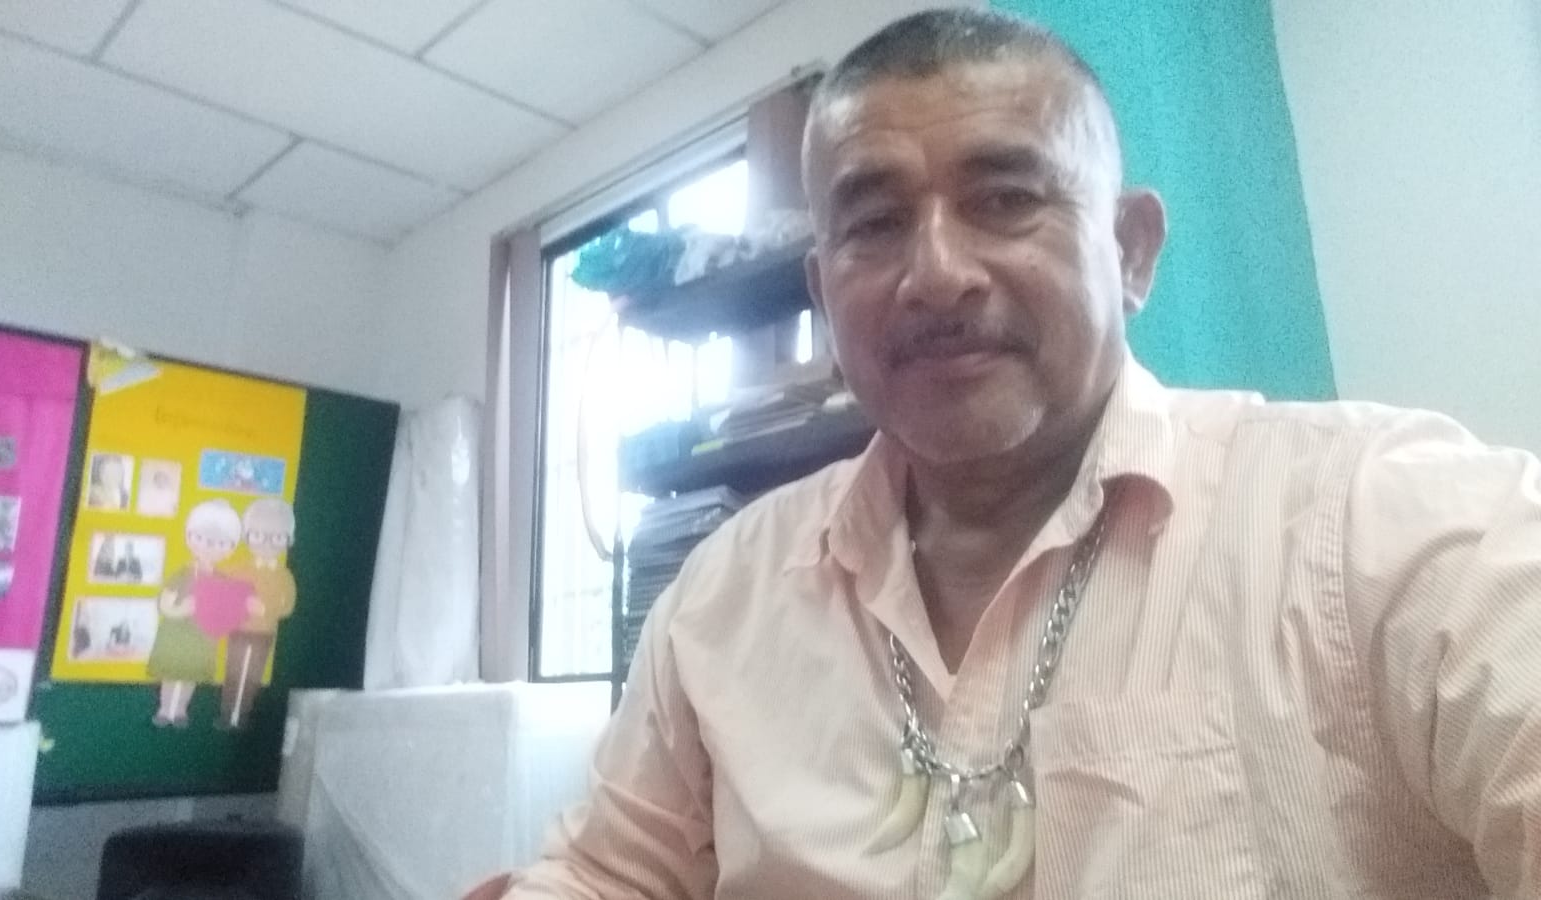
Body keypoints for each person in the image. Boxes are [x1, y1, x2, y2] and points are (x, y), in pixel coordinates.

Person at [495, 9, 1541, 899]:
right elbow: (603, 874)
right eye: (874, 222)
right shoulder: (723, 595)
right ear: (822, 293)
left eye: (1006, 200)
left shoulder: (1371, 520)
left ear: (1130, 252)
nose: (935, 273)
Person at [147, 499, 241, 728]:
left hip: (201, 637)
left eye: (219, 543)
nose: (209, 547)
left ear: (230, 548)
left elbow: (226, 611)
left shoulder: (222, 580)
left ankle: (180, 710)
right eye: (202, 539)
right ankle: (165, 709)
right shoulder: (182, 573)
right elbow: (165, 603)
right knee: (172, 673)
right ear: (190, 537)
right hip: (177, 634)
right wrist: (181, 609)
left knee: (189, 676)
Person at [217, 498, 297, 730]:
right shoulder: (240, 569)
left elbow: (287, 606)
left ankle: (242, 714)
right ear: (247, 536)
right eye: (259, 536)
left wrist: (267, 609)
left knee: (253, 674)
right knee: (234, 670)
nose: (268, 543)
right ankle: (227, 713)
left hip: (264, 632)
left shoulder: (283, 576)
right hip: (239, 629)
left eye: (277, 538)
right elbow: (221, 589)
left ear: (288, 540)